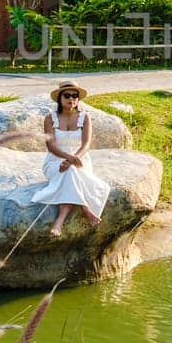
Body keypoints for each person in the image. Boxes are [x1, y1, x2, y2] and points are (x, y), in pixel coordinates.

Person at [32, 81, 112, 236]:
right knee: (69, 172)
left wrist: (73, 159)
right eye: (67, 95)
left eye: (75, 96)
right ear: (59, 98)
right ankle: (86, 209)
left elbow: (86, 144)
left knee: (71, 171)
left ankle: (59, 221)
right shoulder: (50, 118)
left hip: (80, 160)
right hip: (55, 160)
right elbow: (51, 147)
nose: (71, 99)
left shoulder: (85, 117)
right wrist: (67, 159)